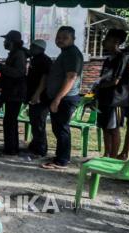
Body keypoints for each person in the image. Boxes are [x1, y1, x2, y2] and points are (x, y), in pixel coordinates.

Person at [41, 26, 83, 169]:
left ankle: (62, 161)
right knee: (58, 129)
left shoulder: (72, 54)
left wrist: (57, 99)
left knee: (61, 129)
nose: (60, 40)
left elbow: (71, 77)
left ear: (73, 39)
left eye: (65, 37)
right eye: (58, 37)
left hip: (65, 98)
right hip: (62, 98)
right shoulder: (66, 53)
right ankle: (61, 156)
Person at [94, 29, 129, 158]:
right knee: (105, 127)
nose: (104, 42)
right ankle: (106, 154)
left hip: (116, 100)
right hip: (105, 99)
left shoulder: (121, 58)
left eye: (107, 39)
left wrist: (100, 85)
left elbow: (115, 81)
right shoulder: (108, 59)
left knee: (113, 129)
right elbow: (103, 78)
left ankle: (113, 158)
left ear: (116, 42)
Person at [0, 30, 28, 155]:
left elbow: (19, 72)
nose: (4, 42)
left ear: (12, 42)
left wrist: (1, 67)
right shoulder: (15, 53)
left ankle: (11, 149)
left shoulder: (18, 54)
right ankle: (11, 148)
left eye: (6, 40)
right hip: (12, 92)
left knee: (10, 121)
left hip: (15, 93)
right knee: (9, 121)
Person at [27, 39, 52, 157]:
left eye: (32, 47)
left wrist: (37, 94)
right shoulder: (35, 59)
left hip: (41, 97)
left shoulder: (44, 60)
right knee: (34, 121)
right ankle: (35, 144)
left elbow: (45, 78)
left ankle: (41, 149)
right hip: (35, 95)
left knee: (39, 122)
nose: (30, 49)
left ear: (38, 48)